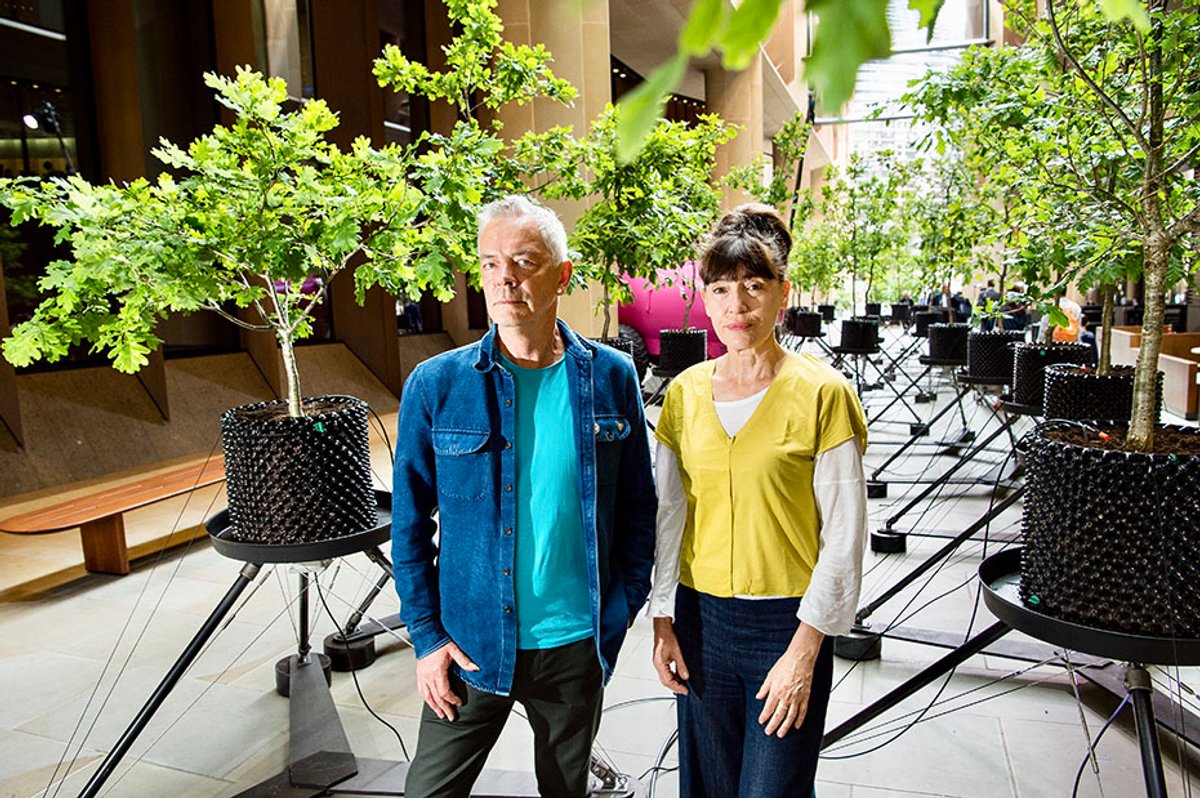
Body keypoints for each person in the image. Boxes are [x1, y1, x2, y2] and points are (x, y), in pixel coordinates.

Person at [391, 195, 657, 798]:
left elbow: (639, 509)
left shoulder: (612, 376)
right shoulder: (438, 384)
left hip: (574, 646)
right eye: (489, 263)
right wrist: (427, 638)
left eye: (523, 260)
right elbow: (408, 526)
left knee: (566, 791)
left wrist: (619, 610)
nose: (503, 276)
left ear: (562, 274)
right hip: (472, 646)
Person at [650, 203, 868, 798]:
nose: (736, 306)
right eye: (719, 289)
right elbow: (671, 517)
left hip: (786, 623)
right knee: (707, 785)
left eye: (753, 286)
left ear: (782, 293)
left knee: (773, 788)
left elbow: (845, 540)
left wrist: (805, 651)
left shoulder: (824, 394)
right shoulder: (685, 393)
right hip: (699, 620)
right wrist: (662, 619)